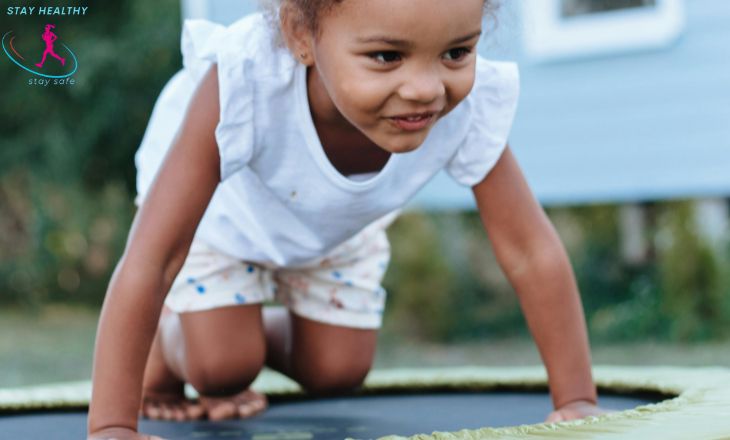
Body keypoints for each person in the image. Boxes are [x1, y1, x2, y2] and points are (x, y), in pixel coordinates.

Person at [87, 0, 607, 438]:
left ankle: (237, 321)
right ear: (301, 35)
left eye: (456, 52)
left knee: (337, 369)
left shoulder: (464, 109)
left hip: (334, 228)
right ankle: (175, 342)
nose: (426, 88)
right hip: (226, 222)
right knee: (222, 367)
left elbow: (528, 250)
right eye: (386, 56)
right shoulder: (245, 82)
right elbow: (155, 258)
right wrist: (112, 427)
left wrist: (578, 399)